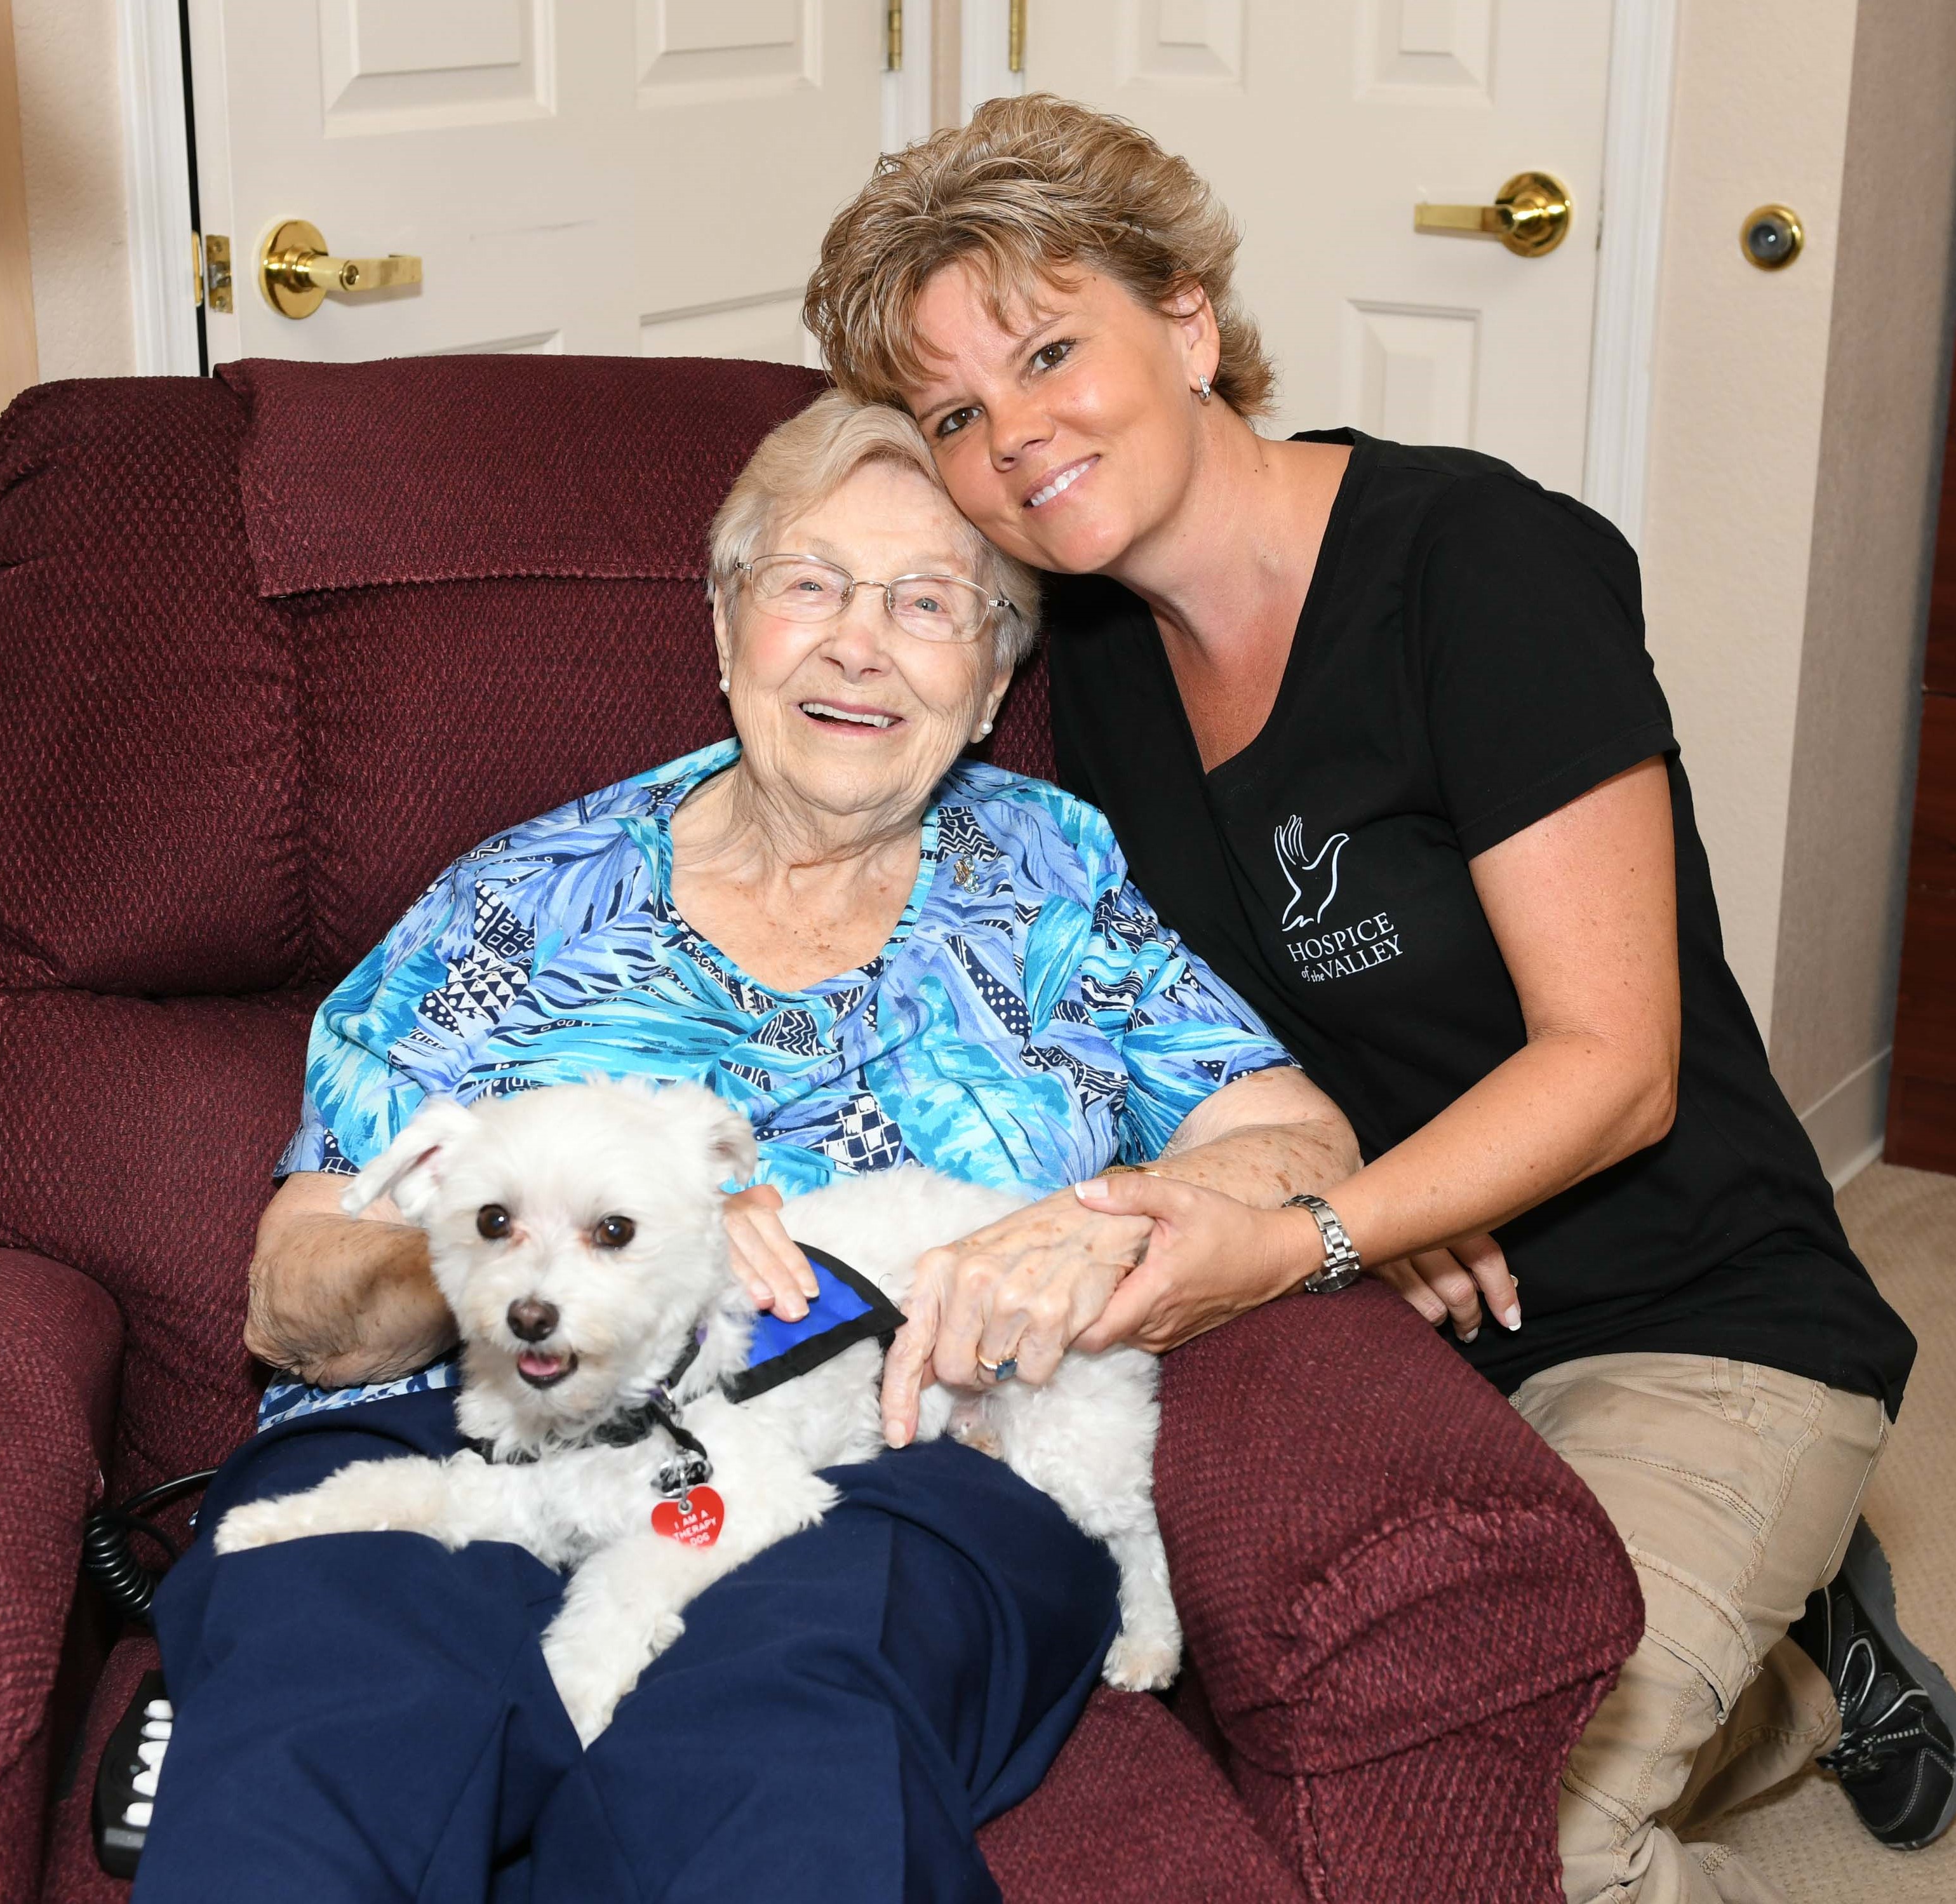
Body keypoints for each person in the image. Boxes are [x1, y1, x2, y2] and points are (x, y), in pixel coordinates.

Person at [802, 95, 1950, 1900]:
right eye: (955, 410)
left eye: (1046, 348)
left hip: (1691, 1306)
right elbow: (1183, 1020)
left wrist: (1318, 1230)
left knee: (1505, 1841)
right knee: (1295, 1758)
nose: (1012, 435)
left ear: (1186, 321)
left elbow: (1617, 1065)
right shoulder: (1092, 657)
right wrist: (1342, 1214)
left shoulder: (1473, 562)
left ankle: (1769, 1626)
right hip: (1400, 1310)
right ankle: (1794, 1685)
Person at [133, 392, 1359, 1903]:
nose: (861, 641)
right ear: (726, 633)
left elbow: (1300, 1145)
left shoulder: (1051, 880)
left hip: (890, 1466)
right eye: (810, 584)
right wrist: (534, 1250)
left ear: (988, 685)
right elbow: (293, 1299)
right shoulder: (516, 903)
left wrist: (1088, 1229)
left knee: (790, 1728)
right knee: (334, 1685)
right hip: (467, 1431)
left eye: (928, 604)